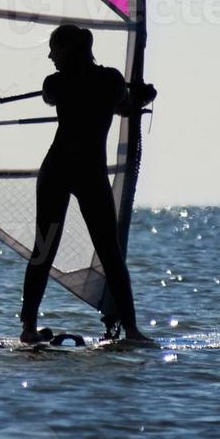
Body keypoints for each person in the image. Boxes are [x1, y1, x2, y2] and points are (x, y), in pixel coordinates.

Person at [20, 24, 156, 345]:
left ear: (69, 50)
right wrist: (141, 94)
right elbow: (124, 105)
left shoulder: (74, 81)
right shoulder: (103, 81)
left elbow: (120, 104)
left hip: (69, 172)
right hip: (72, 173)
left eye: (54, 48)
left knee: (100, 253)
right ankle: (131, 331)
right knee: (58, 249)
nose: (50, 55)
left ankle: (30, 327)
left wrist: (137, 95)